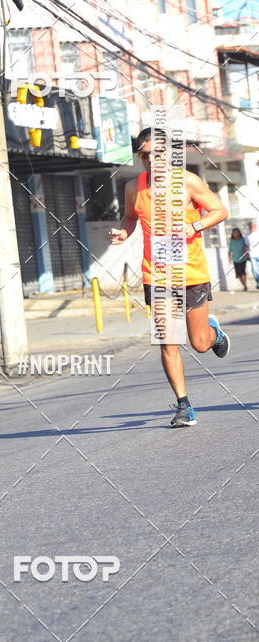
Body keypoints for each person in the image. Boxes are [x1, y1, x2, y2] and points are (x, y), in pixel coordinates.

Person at [109, 126, 230, 428]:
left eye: (156, 154)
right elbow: (130, 216)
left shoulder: (188, 183)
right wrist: (122, 232)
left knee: (200, 343)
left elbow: (219, 211)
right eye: (144, 155)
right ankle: (184, 406)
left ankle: (214, 332)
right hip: (156, 275)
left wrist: (194, 227)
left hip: (191, 273)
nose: (150, 160)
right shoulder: (133, 188)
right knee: (168, 342)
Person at [247, 220, 259, 289]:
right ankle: (258, 282)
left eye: (253, 226)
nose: (251, 227)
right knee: (254, 270)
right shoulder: (248, 234)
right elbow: (246, 245)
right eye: (250, 226)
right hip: (252, 255)